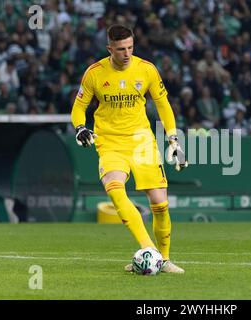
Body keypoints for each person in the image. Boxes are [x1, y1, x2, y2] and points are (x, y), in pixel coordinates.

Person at [71, 25, 187, 273]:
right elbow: (78, 107)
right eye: (121, 49)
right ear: (109, 48)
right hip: (110, 142)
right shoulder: (94, 73)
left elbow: (163, 104)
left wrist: (174, 140)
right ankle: (149, 250)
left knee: (159, 203)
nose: (126, 53)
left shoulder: (146, 70)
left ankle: (164, 259)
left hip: (141, 140)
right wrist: (80, 127)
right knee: (115, 190)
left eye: (130, 48)